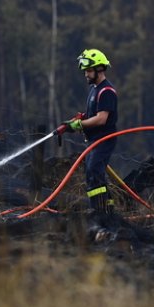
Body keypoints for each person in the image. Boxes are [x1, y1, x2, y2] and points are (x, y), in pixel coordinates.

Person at [63, 48, 119, 231]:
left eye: (88, 70)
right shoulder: (95, 90)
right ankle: (106, 211)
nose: (86, 74)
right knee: (93, 175)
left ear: (99, 69)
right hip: (95, 140)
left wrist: (80, 125)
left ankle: (101, 213)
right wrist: (75, 121)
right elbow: (91, 114)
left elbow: (101, 118)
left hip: (104, 139)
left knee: (94, 173)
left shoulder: (107, 91)